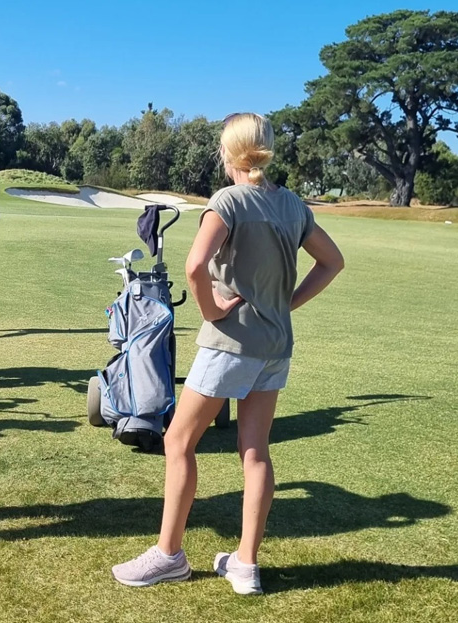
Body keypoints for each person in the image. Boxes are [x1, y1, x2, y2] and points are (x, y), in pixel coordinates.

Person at [111, 113, 344, 594]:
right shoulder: (293, 205)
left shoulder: (228, 201)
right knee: (254, 451)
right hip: (276, 345)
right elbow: (332, 262)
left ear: (227, 152)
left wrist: (210, 311)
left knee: (179, 442)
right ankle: (244, 564)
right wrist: (286, 304)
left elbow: (195, 266)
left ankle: (169, 555)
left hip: (231, 343)